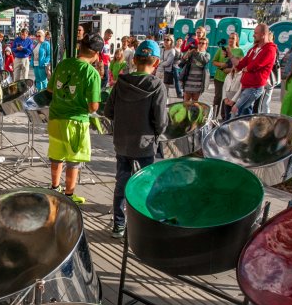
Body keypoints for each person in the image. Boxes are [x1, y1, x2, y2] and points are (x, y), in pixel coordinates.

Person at [105, 40, 167, 238]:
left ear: (136, 59)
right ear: (156, 62)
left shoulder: (121, 82)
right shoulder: (157, 86)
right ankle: (142, 228)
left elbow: (108, 111)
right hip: (145, 144)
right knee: (145, 185)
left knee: (121, 183)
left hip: (122, 143)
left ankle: (119, 225)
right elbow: (161, 121)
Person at [46, 32, 103, 204]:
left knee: (56, 157)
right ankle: (69, 197)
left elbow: (50, 90)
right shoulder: (91, 73)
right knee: (73, 161)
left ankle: (55, 190)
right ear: (96, 54)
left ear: (81, 47)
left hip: (55, 118)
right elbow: (94, 107)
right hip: (76, 122)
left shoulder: (63, 64)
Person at [233, 23, 277, 116]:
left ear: (263, 34)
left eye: (256, 33)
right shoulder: (254, 49)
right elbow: (242, 64)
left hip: (254, 86)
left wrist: (247, 68)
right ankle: (249, 129)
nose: (253, 35)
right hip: (246, 85)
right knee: (246, 113)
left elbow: (256, 64)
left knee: (236, 110)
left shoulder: (270, 49)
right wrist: (231, 55)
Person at [211, 33, 244, 117]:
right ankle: (213, 116)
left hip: (232, 79)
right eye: (230, 38)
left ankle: (224, 117)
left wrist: (231, 69)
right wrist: (221, 64)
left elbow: (240, 65)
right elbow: (214, 61)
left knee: (227, 99)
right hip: (219, 78)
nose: (231, 40)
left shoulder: (239, 51)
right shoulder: (222, 49)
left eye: (233, 38)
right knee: (218, 97)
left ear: (236, 40)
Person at [180, 36, 211, 102]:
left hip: (198, 83)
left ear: (206, 45)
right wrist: (188, 53)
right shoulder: (192, 53)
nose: (200, 45)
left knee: (195, 102)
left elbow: (205, 61)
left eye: (203, 43)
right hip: (188, 82)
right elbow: (181, 64)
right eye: (199, 43)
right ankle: (186, 113)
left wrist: (197, 52)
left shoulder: (207, 54)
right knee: (186, 101)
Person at [220, 55, 243, 121]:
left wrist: (233, 100)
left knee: (234, 117)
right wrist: (224, 98)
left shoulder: (242, 75)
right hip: (227, 99)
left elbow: (240, 89)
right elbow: (224, 86)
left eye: (237, 64)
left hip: (235, 100)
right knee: (227, 117)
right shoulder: (229, 75)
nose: (235, 66)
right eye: (234, 64)